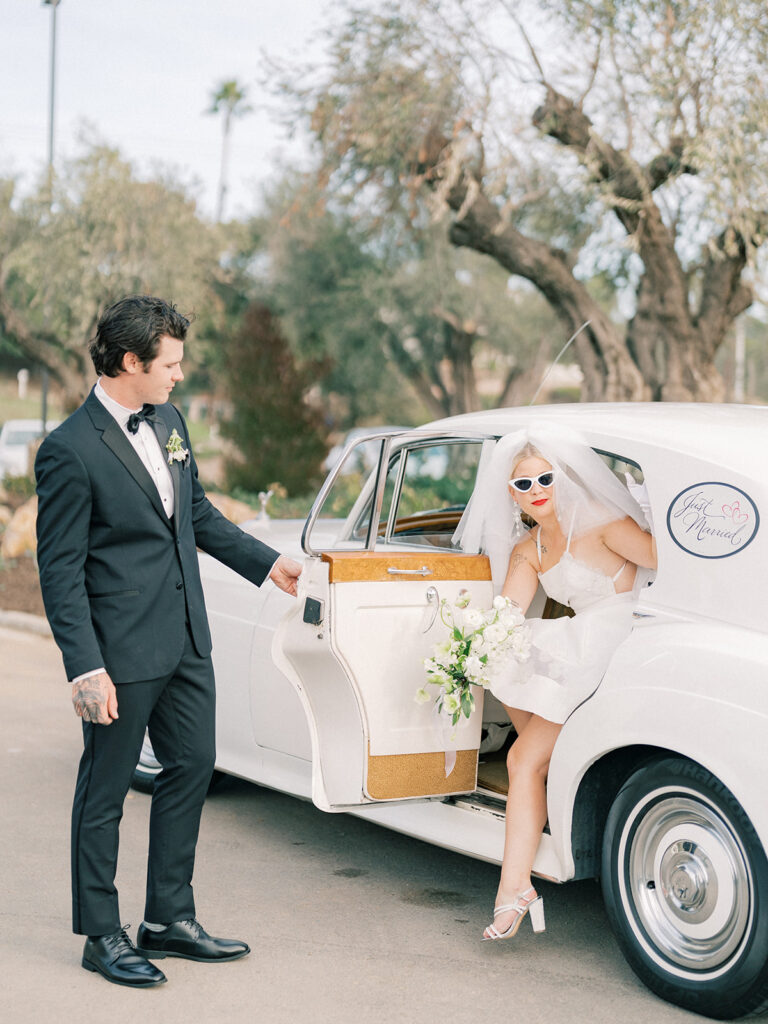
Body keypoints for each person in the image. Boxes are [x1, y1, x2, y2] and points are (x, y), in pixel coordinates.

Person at [35, 295, 303, 988]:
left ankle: (169, 919)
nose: (181, 375)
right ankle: (101, 933)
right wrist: (84, 666)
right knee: (104, 792)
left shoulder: (171, 422)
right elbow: (59, 570)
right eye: (172, 363)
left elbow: (197, 514)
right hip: (119, 654)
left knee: (193, 767)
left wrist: (267, 563)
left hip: (187, 640)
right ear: (131, 361)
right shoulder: (68, 449)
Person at [455, 427, 656, 941]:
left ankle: (515, 887)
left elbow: (676, 565)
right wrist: (470, 648)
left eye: (545, 478)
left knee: (524, 758)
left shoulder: (606, 525)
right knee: (499, 655)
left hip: (626, 641)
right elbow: (508, 614)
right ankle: (518, 878)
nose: (537, 490)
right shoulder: (529, 547)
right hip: (585, 646)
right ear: (510, 493)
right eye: (523, 484)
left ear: (562, 476)